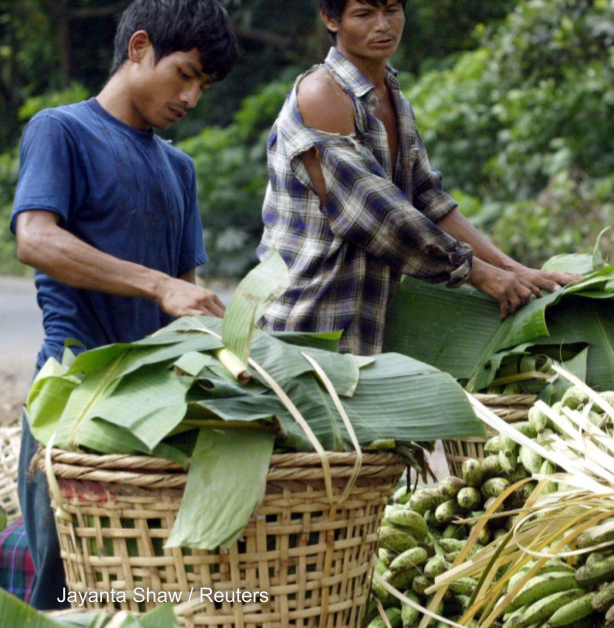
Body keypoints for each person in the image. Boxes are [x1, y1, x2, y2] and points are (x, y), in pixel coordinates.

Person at [9, 0, 237, 609]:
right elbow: (35, 237)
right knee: (67, 598)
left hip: (156, 418)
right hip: (74, 407)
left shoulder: (179, 169)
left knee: (149, 598)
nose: (190, 98)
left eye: (204, 86)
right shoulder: (61, 130)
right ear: (139, 48)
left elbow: (183, 297)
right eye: (184, 74)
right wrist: (157, 284)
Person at [257, 0, 581, 356]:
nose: (382, 26)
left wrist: (515, 269)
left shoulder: (393, 99)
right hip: (308, 324)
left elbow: (429, 200)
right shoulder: (321, 96)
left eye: (392, 10)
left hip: (366, 327)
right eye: (364, 15)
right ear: (331, 19)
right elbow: (379, 217)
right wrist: (482, 275)